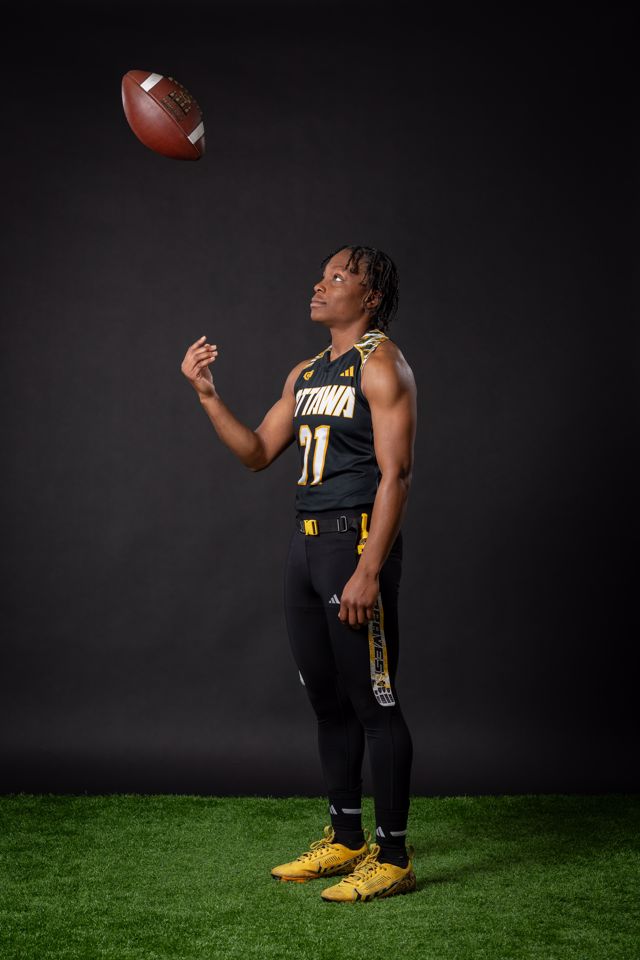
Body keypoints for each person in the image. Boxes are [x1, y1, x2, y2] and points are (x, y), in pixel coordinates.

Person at [180, 244, 417, 902]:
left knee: (374, 701)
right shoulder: (306, 372)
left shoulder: (383, 364)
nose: (320, 285)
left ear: (368, 297)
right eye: (321, 275)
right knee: (327, 701)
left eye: (337, 277)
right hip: (305, 547)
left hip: (355, 544)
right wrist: (207, 395)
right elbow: (258, 451)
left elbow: (396, 475)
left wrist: (369, 569)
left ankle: (394, 855)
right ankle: (346, 837)